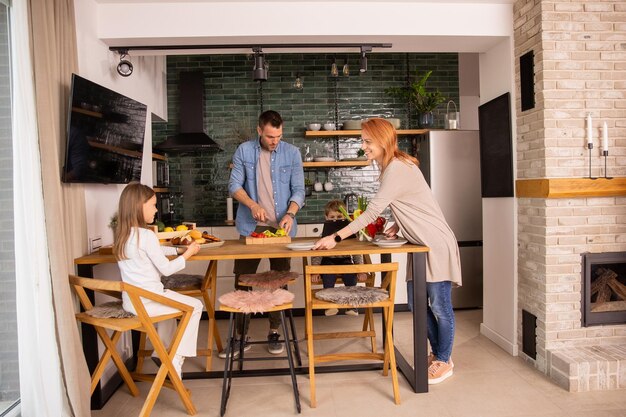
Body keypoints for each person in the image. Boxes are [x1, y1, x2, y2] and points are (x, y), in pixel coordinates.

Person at [312, 118, 461, 385]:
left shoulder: (396, 168)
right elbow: (415, 202)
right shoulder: (392, 167)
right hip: (420, 244)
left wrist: (335, 236)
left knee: (440, 305)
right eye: (363, 140)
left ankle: (443, 359)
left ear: (382, 141)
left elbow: (371, 212)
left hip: (435, 243)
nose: (363, 146)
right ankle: (439, 354)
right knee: (417, 303)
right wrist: (396, 223)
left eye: (367, 141)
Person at [225, 110, 305, 356]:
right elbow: (234, 186)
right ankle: (240, 336)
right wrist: (253, 205)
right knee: (243, 280)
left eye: (278, 136)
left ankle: (274, 332)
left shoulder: (292, 153)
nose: (274, 141)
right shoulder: (244, 151)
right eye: (270, 136)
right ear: (259, 131)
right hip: (251, 228)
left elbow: (299, 190)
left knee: (278, 281)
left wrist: (290, 214)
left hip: (280, 229)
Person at [113, 182, 203, 378]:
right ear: (139, 206)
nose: (156, 210)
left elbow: (152, 251)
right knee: (195, 306)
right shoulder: (146, 235)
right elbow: (167, 269)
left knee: (172, 308)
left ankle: (160, 353)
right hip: (150, 301)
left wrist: (177, 250)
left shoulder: (123, 234)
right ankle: (175, 358)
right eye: (153, 205)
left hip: (132, 303)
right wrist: (188, 254)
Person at [310, 200, 367, 316]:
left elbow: (357, 253)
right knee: (328, 273)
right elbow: (317, 254)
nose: (335, 219)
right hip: (328, 261)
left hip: (344, 261)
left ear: (345, 217)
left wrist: (361, 270)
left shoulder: (349, 236)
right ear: (326, 217)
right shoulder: (323, 236)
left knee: (350, 274)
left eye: (339, 216)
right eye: (332, 217)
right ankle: (330, 305)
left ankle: (352, 306)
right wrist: (315, 271)